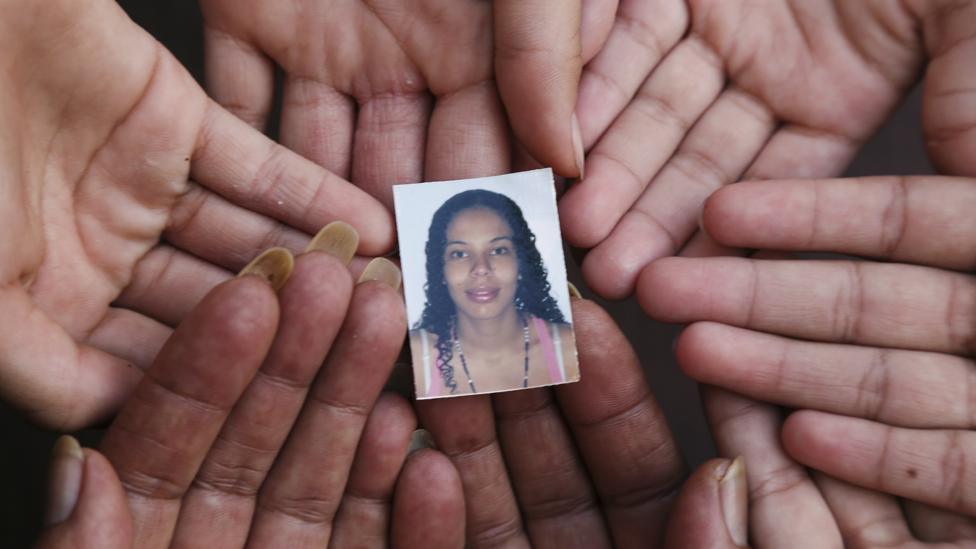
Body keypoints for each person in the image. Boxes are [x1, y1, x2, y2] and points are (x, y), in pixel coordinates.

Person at [410, 189, 577, 397]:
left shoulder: (567, 348)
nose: (481, 268)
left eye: (498, 250)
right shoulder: (415, 355)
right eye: (459, 253)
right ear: (441, 270)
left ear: (521, 262)